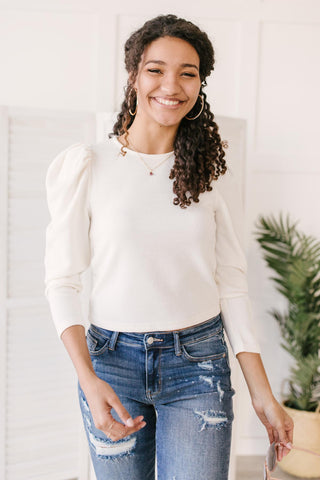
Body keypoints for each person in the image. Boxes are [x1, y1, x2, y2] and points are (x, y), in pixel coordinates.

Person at [44, 13, 294, 480]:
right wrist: (88, 378)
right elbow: (61, 280)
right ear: (134, 75)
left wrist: (263, 393)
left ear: (200, 85)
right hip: (111, 364)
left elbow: (232, 285)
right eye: (156, 69)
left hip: (198, 366)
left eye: (188, 72)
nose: (171, 85)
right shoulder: (88, 165)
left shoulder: (211, 175)